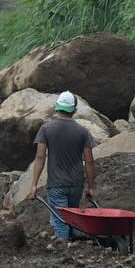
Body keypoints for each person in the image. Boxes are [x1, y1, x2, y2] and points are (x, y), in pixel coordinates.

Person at [24, 91, 96, 241]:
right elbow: (89, 161)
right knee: (71, 218)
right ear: (74, 110)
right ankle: (74, 248)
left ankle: (65, 251)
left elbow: (40, 157)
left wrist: (34, 185)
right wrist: (91, 187)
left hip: (56, 185)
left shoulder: (46, 129)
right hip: (76, 184)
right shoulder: (83, 132)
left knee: (60, 221)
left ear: (57, 108)